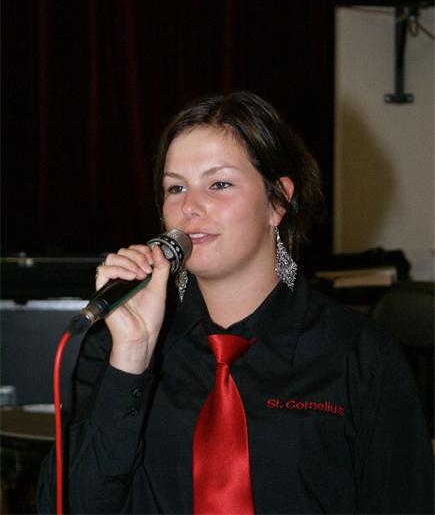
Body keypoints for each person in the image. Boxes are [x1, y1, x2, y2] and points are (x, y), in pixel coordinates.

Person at [38, 91, 433, 514]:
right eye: (176, 187)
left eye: (219, 184)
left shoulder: (361, 355)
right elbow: (66, 506)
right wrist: (131, 359)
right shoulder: (118, 346)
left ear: (278, 201)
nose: (190, 207)